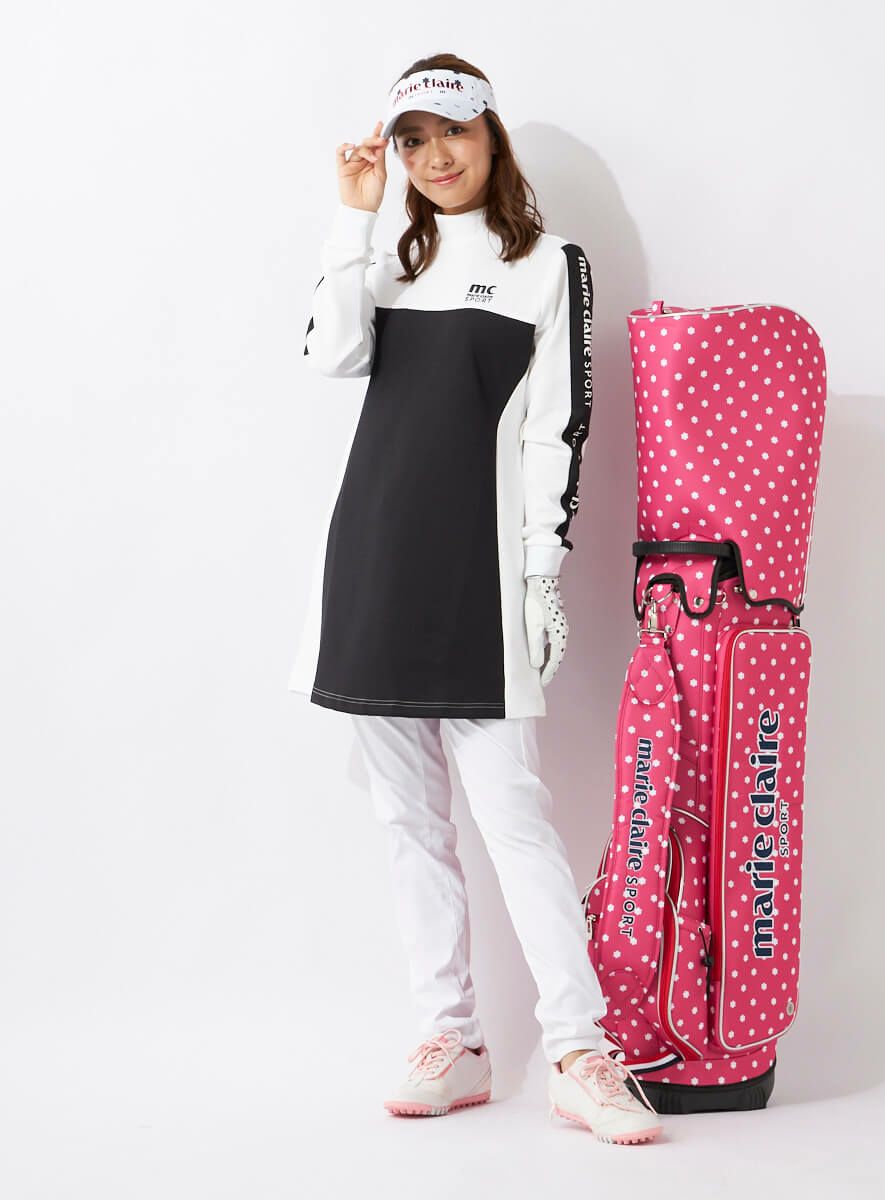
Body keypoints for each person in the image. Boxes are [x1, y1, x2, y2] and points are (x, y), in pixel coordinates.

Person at [290, 53, 661, 1145]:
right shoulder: (386, 258)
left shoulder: (548, 265)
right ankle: (451, 1040)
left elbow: (558, 429)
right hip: (373, 561)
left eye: (451, 131)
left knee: (512, 816)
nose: (433, 156)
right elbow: (329, 355)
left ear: (492, 135)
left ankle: (578, 1052)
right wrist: (353, 215)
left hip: (479, 572)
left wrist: (541, 576)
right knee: (407, 819)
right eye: (411, 140)